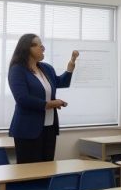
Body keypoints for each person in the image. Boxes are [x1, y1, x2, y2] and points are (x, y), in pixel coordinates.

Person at [7, 33, 78, 164]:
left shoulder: (46, 68)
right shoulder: (17, 70)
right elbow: (22, 98)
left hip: (49, 127)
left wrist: (70, 69)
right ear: (28, 48)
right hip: (28, 129)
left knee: (48, 168)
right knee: (29, 173)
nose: (43, 49)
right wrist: (50, 104)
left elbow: (60, 82)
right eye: (40, 46)